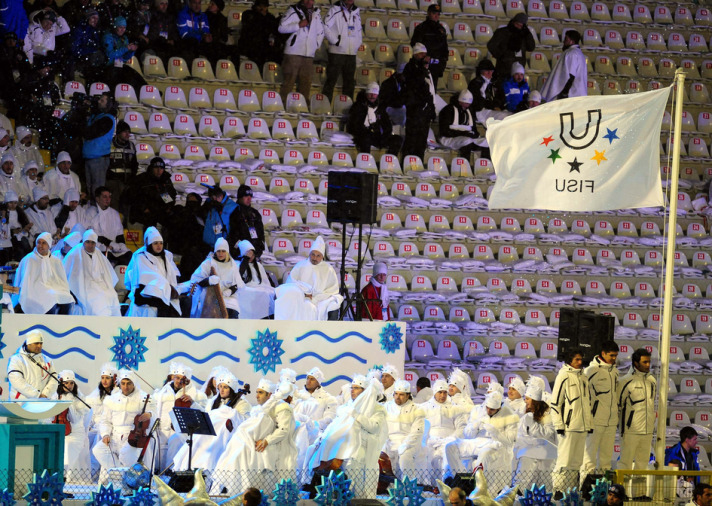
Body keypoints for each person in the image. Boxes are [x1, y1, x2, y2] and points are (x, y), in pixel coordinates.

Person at [211, 379, 297, 495]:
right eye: (257, 392)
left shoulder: (282, 408)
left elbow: (283, 430)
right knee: (237, 449)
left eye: (260, 392)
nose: (256, 396)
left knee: (242, 452)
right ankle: (232, 488)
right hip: (261, 443)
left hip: (278, 446)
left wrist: (267, 441)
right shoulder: (260, 409)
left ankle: (243, 491)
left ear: (269, 395)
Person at [307, 375, 387, 499]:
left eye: (356, 388)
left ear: (365, 391)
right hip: (342, 449)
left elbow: (374, 427)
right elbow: (335, 425)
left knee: (355, 475)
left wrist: (357, 415)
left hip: (362, 449)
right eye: (352, 387)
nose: (352, 390)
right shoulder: (345, 407)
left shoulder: (377, 409)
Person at [171, 369, 250, 471]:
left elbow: (245, 421)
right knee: (194, 441)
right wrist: (193, 403)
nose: (221, 390)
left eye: (225, 387)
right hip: (210, 433)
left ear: (232, 388)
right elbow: (206, 415)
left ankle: (204, 468)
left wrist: (230, 413)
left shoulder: (242, 404)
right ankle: (187, 468)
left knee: (210, 445)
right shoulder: (214, 401)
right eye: (220, 387)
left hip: (226, 435)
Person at [92, 369, 155, 485]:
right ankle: (121, 475)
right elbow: (105, 420)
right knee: (98, 449)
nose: (125, 387)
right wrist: (105, 434)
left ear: (133, 383)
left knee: (126, 457)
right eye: (123, 383)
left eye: (129, 383)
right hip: (114, 436)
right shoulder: (111, 399)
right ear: (119, 384)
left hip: (133, 438)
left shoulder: (144, 398)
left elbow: (155, 414)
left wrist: (149, 414)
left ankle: (124, 480)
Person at [455, 391, 519, 494]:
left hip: (497, 447)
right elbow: (467, 434)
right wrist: (475, 426)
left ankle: (476, 485)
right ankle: (457, 482)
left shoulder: (510, 416)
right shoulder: (479, 411)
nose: (488, 411)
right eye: (487, 408)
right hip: (477, 443)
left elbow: (509, 442)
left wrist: (496, 433)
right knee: (451, 447)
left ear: (499, 408)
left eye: (492, 409)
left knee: (484, 454)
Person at [550, 348, 592, 496]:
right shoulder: (563, 376)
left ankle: (571, 491)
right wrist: (559, 425)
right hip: (568, 428)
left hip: (582, 427)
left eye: (581, 360)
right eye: (577, 360)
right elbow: (555, 403)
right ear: (569, 361)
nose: (580, 363)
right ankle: (558, 490)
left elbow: (587, 403)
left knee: (576, 463)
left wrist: (589, 424)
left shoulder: (583, 377)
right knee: (564, 462)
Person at [152, 362, 208, 470]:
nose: (179, 381)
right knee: (159, 464)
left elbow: (204, 414)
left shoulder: (198, 395)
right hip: (162, 433)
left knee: (174, 464)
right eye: (177, 378)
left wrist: (192, 402)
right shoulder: (162, 393)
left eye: (182, 379)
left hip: (180, 436)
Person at [274, 236, 342, 320]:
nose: (314, 258)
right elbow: (291, 284)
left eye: (318, 256)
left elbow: (332, 290)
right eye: (313, 255)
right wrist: (305, 294)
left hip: (322, 299)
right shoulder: (301, 265)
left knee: (332, 305)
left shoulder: (328, 269)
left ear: (322, 257)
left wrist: (317, 296)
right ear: (309, 254)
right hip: (303, 298)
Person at [124, 226, 181, 317]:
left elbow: (174, 274)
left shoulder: (166, 256)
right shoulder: (141, 257)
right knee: (163, 304)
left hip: (162, 290)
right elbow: (146, 278)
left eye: (161, 243)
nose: (159, 246)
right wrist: (164, 285)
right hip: (144, 292)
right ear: (150, 244)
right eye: (155, 243)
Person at [582, 340, 619, 478]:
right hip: (595, 421)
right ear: (603, 353)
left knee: (606, 458)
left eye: (616, 355)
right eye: (611, 355)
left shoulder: (614, 371)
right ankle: (584, 489)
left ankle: (604, 490)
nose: (614, 358)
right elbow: (583, 395)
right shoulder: (591, 371)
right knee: (589, 458)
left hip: (611, 421)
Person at [63, 229, 121, 316]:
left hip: (100, 285)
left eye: (93, 243)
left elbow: (108, 274)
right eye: (88, 242)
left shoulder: (98, 253)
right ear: (84, 242)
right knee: (97, 301)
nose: (90, 245)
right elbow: (67, 272)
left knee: (112, 296)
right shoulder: (75, 252)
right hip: (84, 286)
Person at [513, 376, 556, 491]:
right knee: (525, 461)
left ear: (535, 400)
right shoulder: (526, 414)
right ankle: (518, 491)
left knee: (545, 479)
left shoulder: (547, 414)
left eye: (527, 399)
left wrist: (532, 425)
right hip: (530, 449)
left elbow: (547, 434)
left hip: (547, 451)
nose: (525, 401)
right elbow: (520, 435)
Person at [14, 232, 74, 314]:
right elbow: (25, 283)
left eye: (44, 243)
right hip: (34, 291)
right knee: (50, 301)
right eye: (38, 242)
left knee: (68, 299)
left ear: (49, 245)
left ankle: (61, 325)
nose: (40, 245)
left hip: (53, 290)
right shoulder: (29, 259)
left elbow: (62, 282)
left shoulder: (56, 260)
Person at [277, 0, 324, 103]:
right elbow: (281, 28)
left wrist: (315, 45)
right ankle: (283, 105)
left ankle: (302, 107)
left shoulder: (316, 13)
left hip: (308, 54)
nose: (308, 2)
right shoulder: (293, 10)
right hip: (293, 52)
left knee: (306, 83)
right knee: (289, 82)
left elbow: (321, 32)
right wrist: (298, 25)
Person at [421, 379, 467, 482]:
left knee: (447, 458)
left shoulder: (455, 408)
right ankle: (428, 486)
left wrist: (451, 438)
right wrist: (429, 439)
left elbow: (461, 427)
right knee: (425, 456)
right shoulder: (424, 408)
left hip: (448, 441)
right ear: (435, 392)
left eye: (445, 392)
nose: (443, 395)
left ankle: (446, 484)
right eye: (440, 392)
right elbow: (421, 427)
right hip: (430, 442)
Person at [618, 348, 656, 472]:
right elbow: (618, 405)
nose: (648, 365)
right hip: (630, 431)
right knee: (625, 464)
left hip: (647, 430)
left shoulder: (652, 381)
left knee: (643, 465)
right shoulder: (625, 381)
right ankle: (621, 491)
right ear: (636, 363)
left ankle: (640, 492)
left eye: (649, 362)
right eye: (645, 362)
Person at [189, 237, 245, 319]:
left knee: (233, 313)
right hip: (210, 298)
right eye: (218, 251)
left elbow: (237, 284)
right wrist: (208, 281)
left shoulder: (232, 265)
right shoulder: (208, 263)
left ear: (227, 252)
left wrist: (231, 290)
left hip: (229, 298)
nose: (220, 254)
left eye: (223, 251)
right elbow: (196, 280)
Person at [52, 369, 91, 483]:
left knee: (68, 445)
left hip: (75, 433)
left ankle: (67, 477)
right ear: (61, 383)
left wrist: (70, 403)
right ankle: (56, 475)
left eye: (71, 383)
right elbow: (50, 417)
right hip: (59, 431)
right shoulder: (55, 396)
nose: (69, 385)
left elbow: (74, 419)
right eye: (66, 383)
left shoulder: (79, 398)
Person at [382, 380, 426, 479]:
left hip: (409, 442)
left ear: (407, 395)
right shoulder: (386, 407)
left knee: (405, 455)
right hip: (389, 441)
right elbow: (382, 428)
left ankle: (409, 485)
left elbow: (416, 433)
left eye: (401, 394)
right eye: (396, 394)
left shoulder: (416, 409)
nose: (398, 397)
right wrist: (385, 443)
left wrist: (405, 445)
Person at [402, 42, 435, 162]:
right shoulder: (410, 68)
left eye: (425, 55)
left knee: (422, 139)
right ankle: (406, 162)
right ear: (416, 55)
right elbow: (416, 84)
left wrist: (431, 108)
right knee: (412, 138)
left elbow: (430, 91)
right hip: (414, 109)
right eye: (422, 55)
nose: (425, 58)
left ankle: (418, 162)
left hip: (425, 110)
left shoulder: (426, 71)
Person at [322, 0, 361, 101]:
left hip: (351, 53)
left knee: (349, 83)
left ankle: (347, 108)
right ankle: (325, 106)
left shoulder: (356, 11)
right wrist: (335, 41)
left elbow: (359, 30)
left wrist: (357, 43)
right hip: (337, 53)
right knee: (331, 82)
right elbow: (325, 26)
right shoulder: (334, 9)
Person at [347, 82, 401, 156]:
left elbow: (387, 124)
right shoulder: (358, 106)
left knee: (397, 139)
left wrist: (385, 135)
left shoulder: (380, 107)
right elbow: (354, 125)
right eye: (370, 93)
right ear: (366, 94)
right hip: (363, 135)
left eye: (374, 94)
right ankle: (365, 162)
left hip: (377, 135)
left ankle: (389, 162)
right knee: (365, 139)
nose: (372, 96)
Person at [85, 186, 132, 266]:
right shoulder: (90, 213)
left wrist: (120, 246)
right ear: (97, 199)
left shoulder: (115, 213)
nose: (108, 199)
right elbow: (92, 235)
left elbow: (119, 234)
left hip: (114, 247)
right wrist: (109, 244)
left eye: (109, 197)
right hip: (98, 246)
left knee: (128, 254)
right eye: (104, 197)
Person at [82, 92, 116, 198]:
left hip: (99, 159)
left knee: (97, 189)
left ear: (109, 104)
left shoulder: (107, 119)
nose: (98, 102)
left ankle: (99, 212)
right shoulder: (97, 116)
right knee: (89, 188)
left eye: (102, 100)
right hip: (90, 157)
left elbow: (89, 133)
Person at [86, 363, 119, 469]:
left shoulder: (117, 394)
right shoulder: (96, 394)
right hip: (96, 427)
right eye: (102, 378)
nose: (104, 381)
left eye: (107, 378)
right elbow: (92, 413)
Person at [6, 329, 57, 399]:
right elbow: (17, 381)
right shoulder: (16, 359)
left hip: (42, 403)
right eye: (36, 343)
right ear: (28, 343)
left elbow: (54, 379)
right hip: (20, 405)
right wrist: (37, 395)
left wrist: (45, 394)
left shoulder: (47, 360)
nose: (39, 346)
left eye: (41, 343)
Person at [128, 156, 175, 229]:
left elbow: (169, 196)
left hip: (160, 209)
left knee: (174, 219)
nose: (159, 170)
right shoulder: (142, 179)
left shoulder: (165, 179)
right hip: (145, 210)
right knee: (149, 222)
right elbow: (135, 196)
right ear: (151, 168)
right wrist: (144, 209)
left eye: (161, 168)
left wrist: (168, 207)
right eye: (156, 168)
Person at [486, 13, 534, 84]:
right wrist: (501, 56)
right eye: (517, 24)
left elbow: (531, 47)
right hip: (503, 69)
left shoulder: (524, 35)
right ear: (513, 22)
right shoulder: (502, 32)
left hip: (518, 70)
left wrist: (528, 35)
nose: (518, 27)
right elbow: (491, 45)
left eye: (521, 25)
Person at [540, 30, 587, 102]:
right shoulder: (579, 53)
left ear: (572, 41)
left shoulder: (572, 53)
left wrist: (564, 93)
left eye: (566, 39)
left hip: (572, 96)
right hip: (578, 95)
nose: (564, 42)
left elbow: (571, 75)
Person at [409, 4, 447, 89]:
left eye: (438, 14)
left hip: (435, 66)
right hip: (422, 66)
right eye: (434, 13)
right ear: (428, 13)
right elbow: (415, 45)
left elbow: (444, 48)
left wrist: (442, 63)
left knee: (432, 91)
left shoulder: (441, 30)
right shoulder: (421, 28)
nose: (436, 16)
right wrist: (423, 59)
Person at [438, 89, 483, 160]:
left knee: (485, 143)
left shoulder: (469, 110)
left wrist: (475, 135)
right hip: (450, 138)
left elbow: (474, 129)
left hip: (466, 137)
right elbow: (444, 131)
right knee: (467, 141)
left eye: (469, 104)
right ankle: (464, 165)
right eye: (466, 103)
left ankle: (483, 166)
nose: (467, 105)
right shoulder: (448, 110)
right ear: (460, 101)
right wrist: (464, 134)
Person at [236, 239, 275, 319]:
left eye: (252, 255)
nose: (251, 257)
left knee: (270, 292)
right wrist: (245, 260)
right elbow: (239, 278)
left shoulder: (258, 265)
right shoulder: (238, 265)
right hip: (247, 287)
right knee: (260, 293)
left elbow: (265, 281)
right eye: (248, 255)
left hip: (260, 286)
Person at [236, 0, 280, 68]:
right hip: (248, 46)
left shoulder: (270, 17)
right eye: (260, 6)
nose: (262, 8)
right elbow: (249, 28)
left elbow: (272, 30)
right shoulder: (248, 14)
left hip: (262, 48)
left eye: (264, 6)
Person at [106, 120, 137, 212]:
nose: (128, 134)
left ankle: (124, 224)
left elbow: (134, 163)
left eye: (129, 132)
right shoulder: (110, 144)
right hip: (112, 181)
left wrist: (132, 178)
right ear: (119, 133)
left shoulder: (131, 145)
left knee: (126, 206)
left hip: (127, 181)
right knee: (114, 206)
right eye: (125, 132)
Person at [467, 58, 509, 126]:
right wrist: (492, 106)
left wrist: (497, 104)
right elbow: (477, 101)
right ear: (481, 71)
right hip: (482, 111)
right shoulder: (475, 84)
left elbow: (501, 96)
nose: (490, 73)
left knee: (510, 116)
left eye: (491, 71)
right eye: (487, 71)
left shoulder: (495, 83)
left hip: (495, 109)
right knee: (503, 117)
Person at [227, 184, 264, 259]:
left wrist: (257, 252)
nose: (249, 199)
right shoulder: (233, 213)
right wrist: (241, 252)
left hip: (255, 255)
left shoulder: (255, 214)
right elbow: (232, 237)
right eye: (246, 196)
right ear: (240, 197)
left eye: (250, 196)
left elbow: (261, 236)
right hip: (239, 255)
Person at [177, 0, 213, 65]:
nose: (197, 6)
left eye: (199, 3)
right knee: (193, 42)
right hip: (187, 43)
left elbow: (206, 31)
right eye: (194, 3)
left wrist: (207, 36)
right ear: (189, 3)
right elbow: (184, 34)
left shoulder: (203, 16)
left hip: (201, 43)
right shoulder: (182, 14)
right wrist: (201, 36)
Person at [0, 190, 33, 261]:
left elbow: (22, 224)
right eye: (10, 203)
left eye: (15, 203)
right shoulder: (3, 213)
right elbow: (4, 226)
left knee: (25, 244)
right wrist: (13, 232)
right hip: (8, 237)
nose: (13, 205)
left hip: (19, 235)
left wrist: (24, 230)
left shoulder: (19, 213)